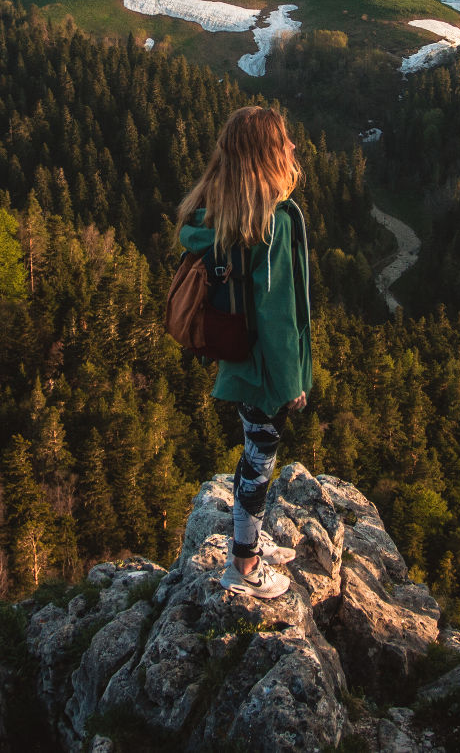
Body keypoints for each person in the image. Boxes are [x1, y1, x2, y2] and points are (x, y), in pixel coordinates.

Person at [177, 106, 313, 599]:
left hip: (238, 356)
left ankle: (249, 541)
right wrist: (291, 382)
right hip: (263, 367)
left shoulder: (220, 213)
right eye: (285, 141)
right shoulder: (271, 221)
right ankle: (245, 564)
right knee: (259, 458)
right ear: (267, 154)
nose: (294, 148)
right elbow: (277, 316)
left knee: (255, 452)